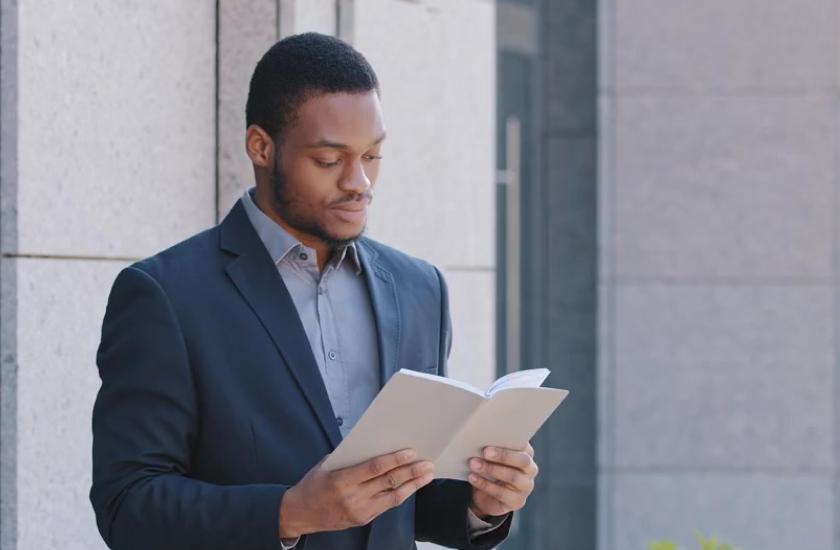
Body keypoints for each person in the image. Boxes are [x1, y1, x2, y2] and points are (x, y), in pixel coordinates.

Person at [90, 32, 538, 550]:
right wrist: (289, 513)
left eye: (372, 156)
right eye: (330, 160)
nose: (360, 183)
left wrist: (483, 503)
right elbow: (128, 506)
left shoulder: (420, 289)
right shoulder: (165, 296)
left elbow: (410, 496)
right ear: (261, 147)